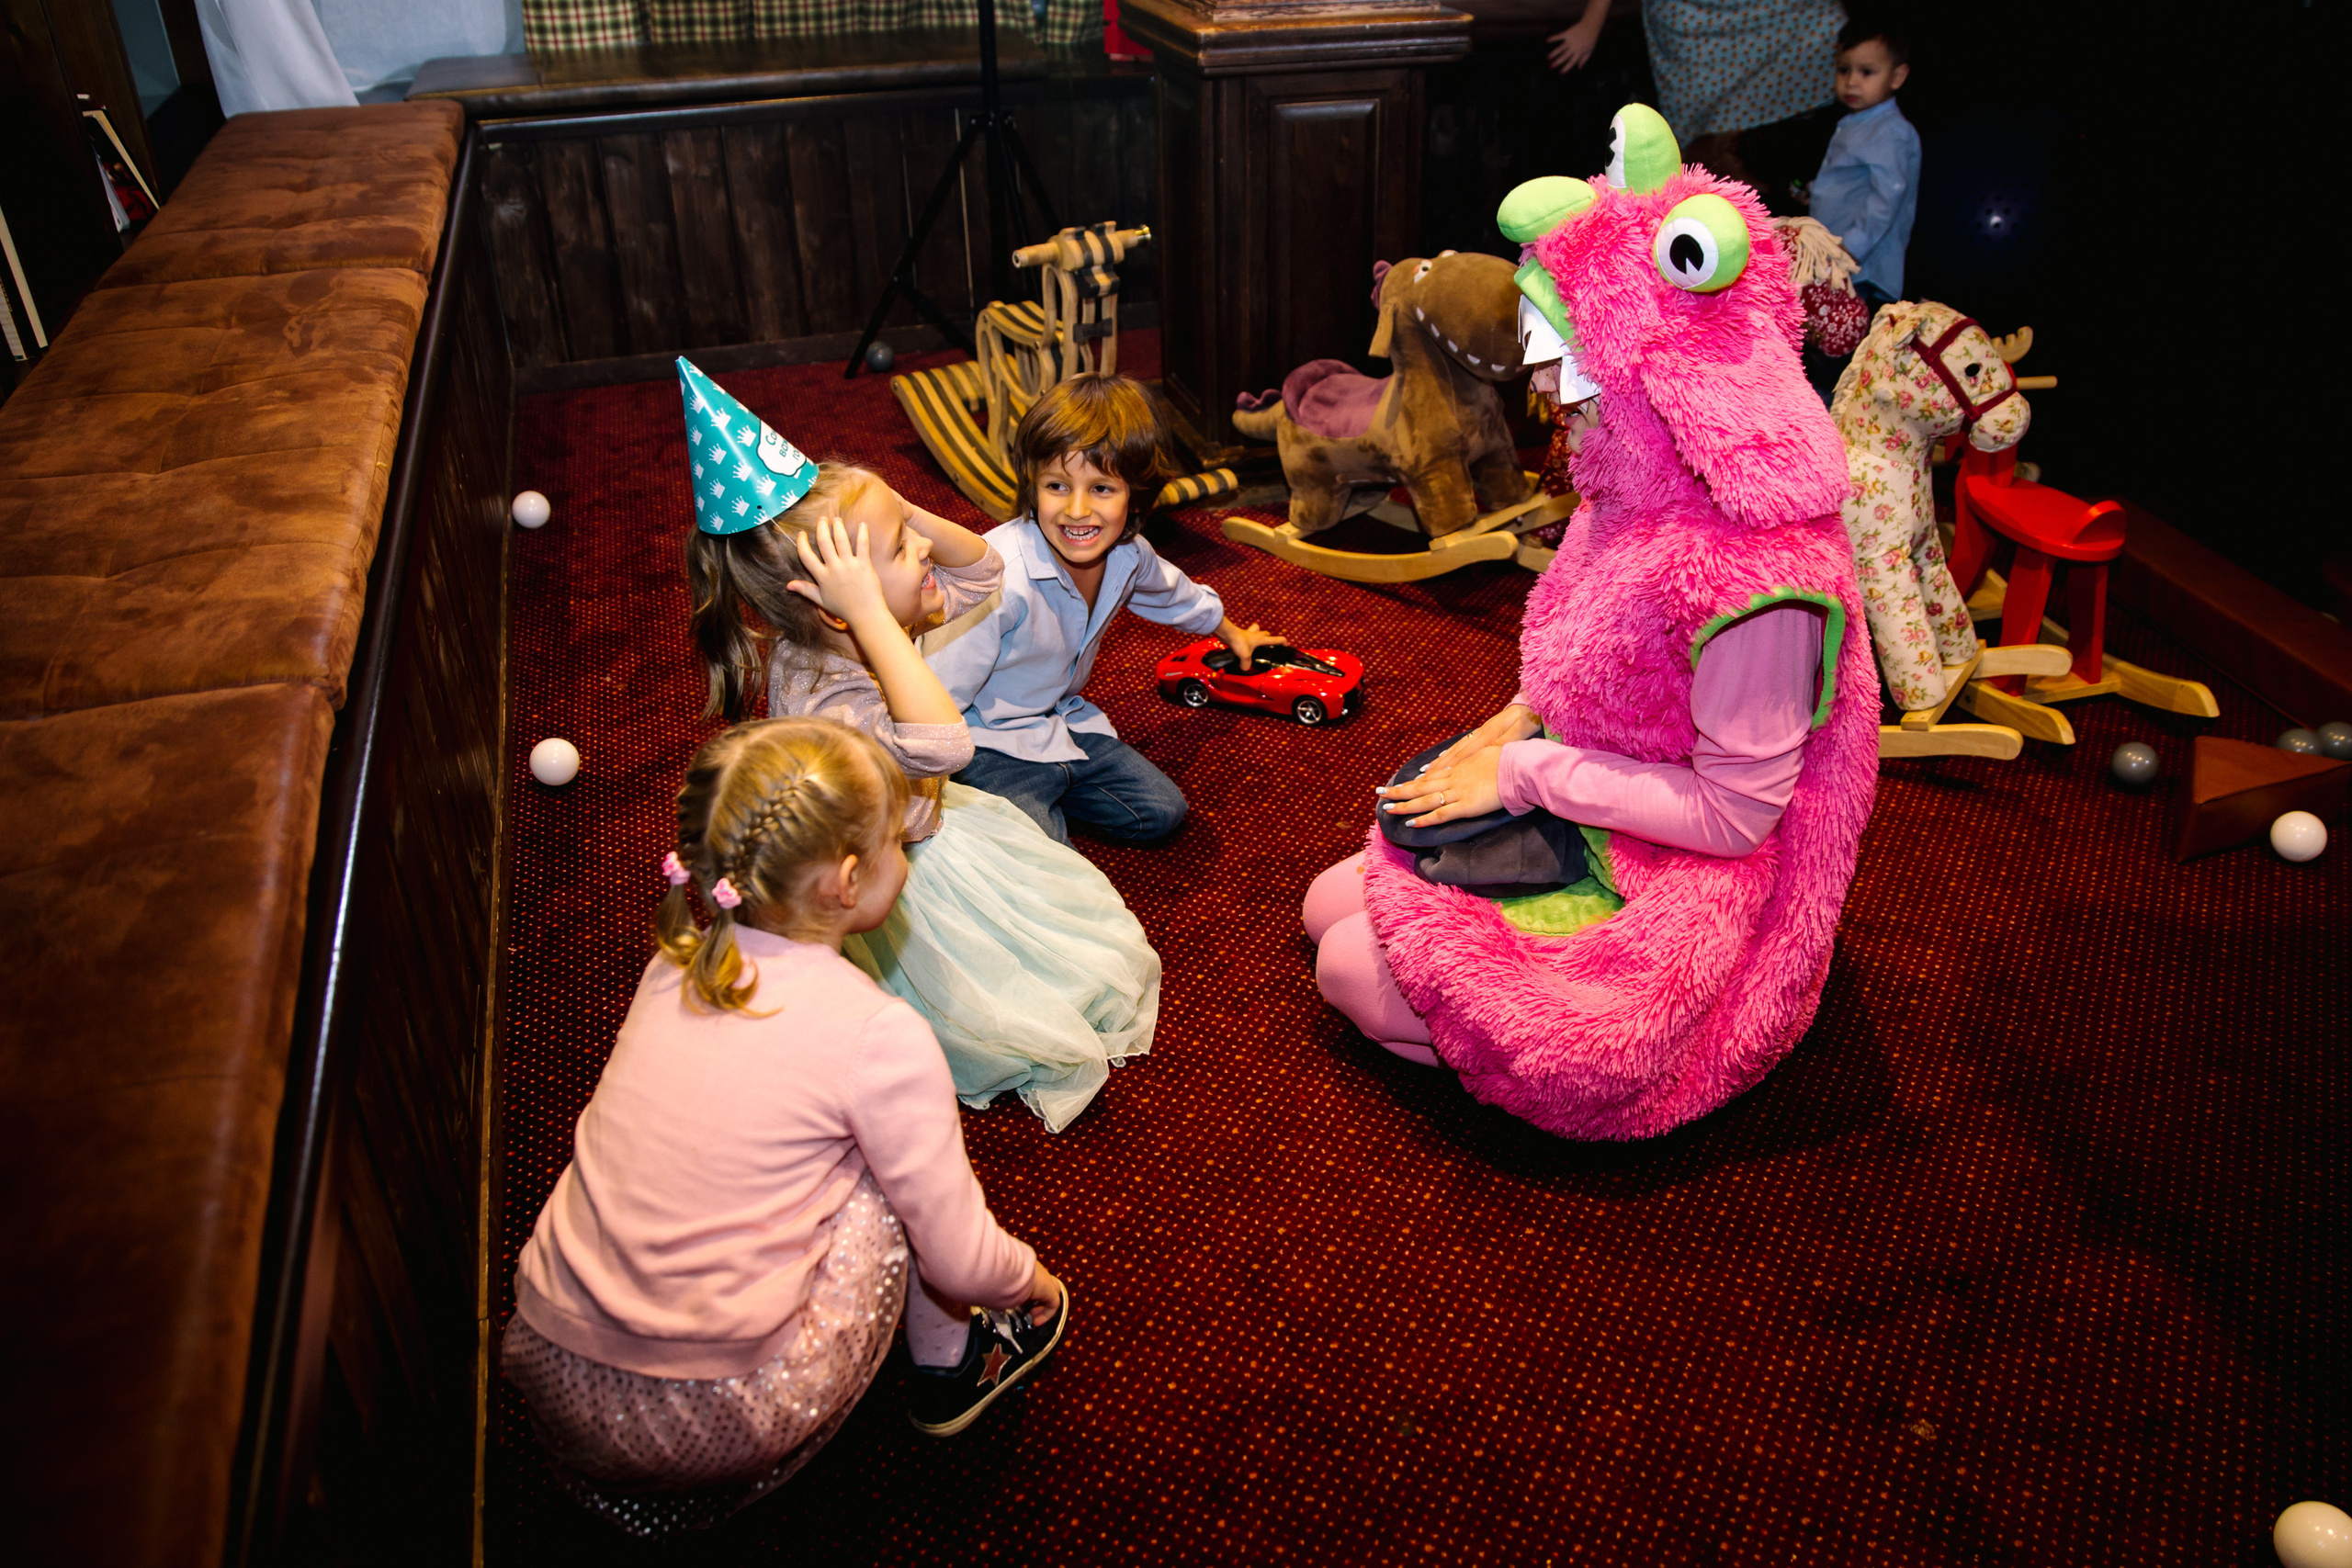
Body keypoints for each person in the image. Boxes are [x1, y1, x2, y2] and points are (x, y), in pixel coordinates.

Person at [503, 717, 1069, 1537]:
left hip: (548, 1365)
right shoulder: (881, 1036)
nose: (904, 856)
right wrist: (1033, 1284)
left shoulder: (672, 963)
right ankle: (952, 1367)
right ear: (847, 880)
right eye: (894, 843)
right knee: (886, 1179)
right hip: (714, 1411)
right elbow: (959, 1254)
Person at [677, 357, 1159, 1132]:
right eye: (904, 549)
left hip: (938, 823)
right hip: (906, 880)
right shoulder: (830, 695)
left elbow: (986, 568)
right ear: (845, 608)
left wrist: (903, 516)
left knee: (1069, 926)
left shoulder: (854, 626)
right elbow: (943, 747)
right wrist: (874, 614)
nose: (924, 552)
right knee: (1007, 999)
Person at [925, 374, 1284, 846]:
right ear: (1032, 485)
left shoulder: (1127, 553)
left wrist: (1232, 633)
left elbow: (1173, 594)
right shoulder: (997, 581)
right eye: (1057, 485)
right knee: (1047, 865)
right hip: (988, 745)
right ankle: (997, 812)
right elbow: (936, 696)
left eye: (1101, 489)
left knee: (1161, 812)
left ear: (1135, 492)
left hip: (1062, 720)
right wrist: (920, 794)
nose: (1076, 510)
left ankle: (1041, 801)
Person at [1808, 18, 1919, 310]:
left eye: (1866, 72)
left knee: (1844, 343)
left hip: (1863, 268)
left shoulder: (1891, 133)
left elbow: (1887, 199)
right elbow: (1848, 181)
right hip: (1837, 258)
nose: (1852, 81)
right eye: (1844, 70)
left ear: (1897, 78)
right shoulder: (1859, 123)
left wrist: (1852, 248)